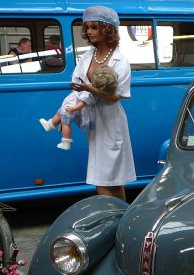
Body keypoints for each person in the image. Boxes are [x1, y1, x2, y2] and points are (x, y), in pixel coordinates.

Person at [68, 5, 135, 201]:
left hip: (111, 120)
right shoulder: (87, 57)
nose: (89, 31)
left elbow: (115, 96)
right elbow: (77, 83)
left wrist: (88, 89)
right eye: (87, 27)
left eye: (94, 27)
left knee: (109, 178)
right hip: (95, 121)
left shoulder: (120, 61)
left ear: (108, 29)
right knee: (108, 177)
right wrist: (75, 105)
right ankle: (119, 218)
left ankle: (115, 217)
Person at [39, 65, 118, 151]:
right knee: (59, 113)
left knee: (66, 123)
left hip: (71, 107)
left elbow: (82, 103)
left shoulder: (89, 93)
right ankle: (50, 124)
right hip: (68, 105)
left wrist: (73, 109)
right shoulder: (90, 89)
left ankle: (66, 141)